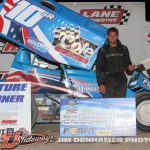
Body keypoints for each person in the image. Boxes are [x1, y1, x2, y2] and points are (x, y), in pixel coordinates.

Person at [96, 27, 134, 98]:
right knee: (108, 106)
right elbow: (98, 69)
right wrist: (100, 84)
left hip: (121, 82)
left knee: (121, 106)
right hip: (107, 82)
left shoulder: (124, 49)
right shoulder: (102, 50)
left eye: (115, 35)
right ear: (107, 36)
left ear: (117, 36)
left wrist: (130, 69)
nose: (113, 37)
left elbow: (128, 65)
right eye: (111, 35)